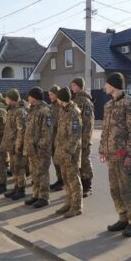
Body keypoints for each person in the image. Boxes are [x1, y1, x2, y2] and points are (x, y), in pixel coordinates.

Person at [99, 72, 131, 238]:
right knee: (115, 189)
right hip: (111, 155)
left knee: (127, 189)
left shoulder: (130, 103)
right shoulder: (108, 105)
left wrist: (130, 154)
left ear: (114, 84)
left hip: (124, 155)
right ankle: (123, 217)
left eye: (106, 83)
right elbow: (105, 130)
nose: (104, 86)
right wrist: (103, 149)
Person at [53, 87, 83, 218]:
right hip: (62, 152)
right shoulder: (63, 110)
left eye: (58, 97)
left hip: (70, 154)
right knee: (65, 179)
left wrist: (68, 152)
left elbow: (75, 135)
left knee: (73, 180)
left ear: (61, 98)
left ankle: (76, 207)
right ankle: (69, 203)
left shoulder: (73, 112)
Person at [23, 86, 52, 208]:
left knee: (42, 173)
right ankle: (35, 195)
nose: (27, 98)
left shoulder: (45, 111)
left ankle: (44, 197)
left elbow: (47, 133)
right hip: (32, 149)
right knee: (35, 173)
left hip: (41, 150)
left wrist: (40, 147)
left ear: (34, 98)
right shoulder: (32, 109)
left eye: (29, 96)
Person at [70, 77, 95, 197]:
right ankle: (80, 185)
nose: (72, 87)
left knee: (85, 161)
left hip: (83, 138)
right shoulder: (73, 100)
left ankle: (88, 186)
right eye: (72, 85)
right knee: (77, 162)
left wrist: (85, 140)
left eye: (74, 85)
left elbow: (88, 123)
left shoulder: (86, 102)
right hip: (75, 138)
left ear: (80, 86)